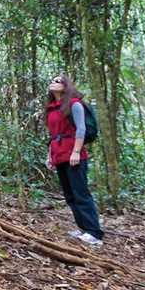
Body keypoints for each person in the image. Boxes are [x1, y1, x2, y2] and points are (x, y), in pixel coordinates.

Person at [44, 74, 104, 247]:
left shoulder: (74, 104)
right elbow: (53, 135)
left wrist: (76, 152)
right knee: (70, 195)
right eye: (52, 81)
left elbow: (81, 129)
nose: (53, 83)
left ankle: (94, 233)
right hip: (59, 154)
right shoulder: (51, 108)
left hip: (73, 155)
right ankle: (83, 228)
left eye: (58, 81)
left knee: (81, 193)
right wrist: (50, 156)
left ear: (65, 86)